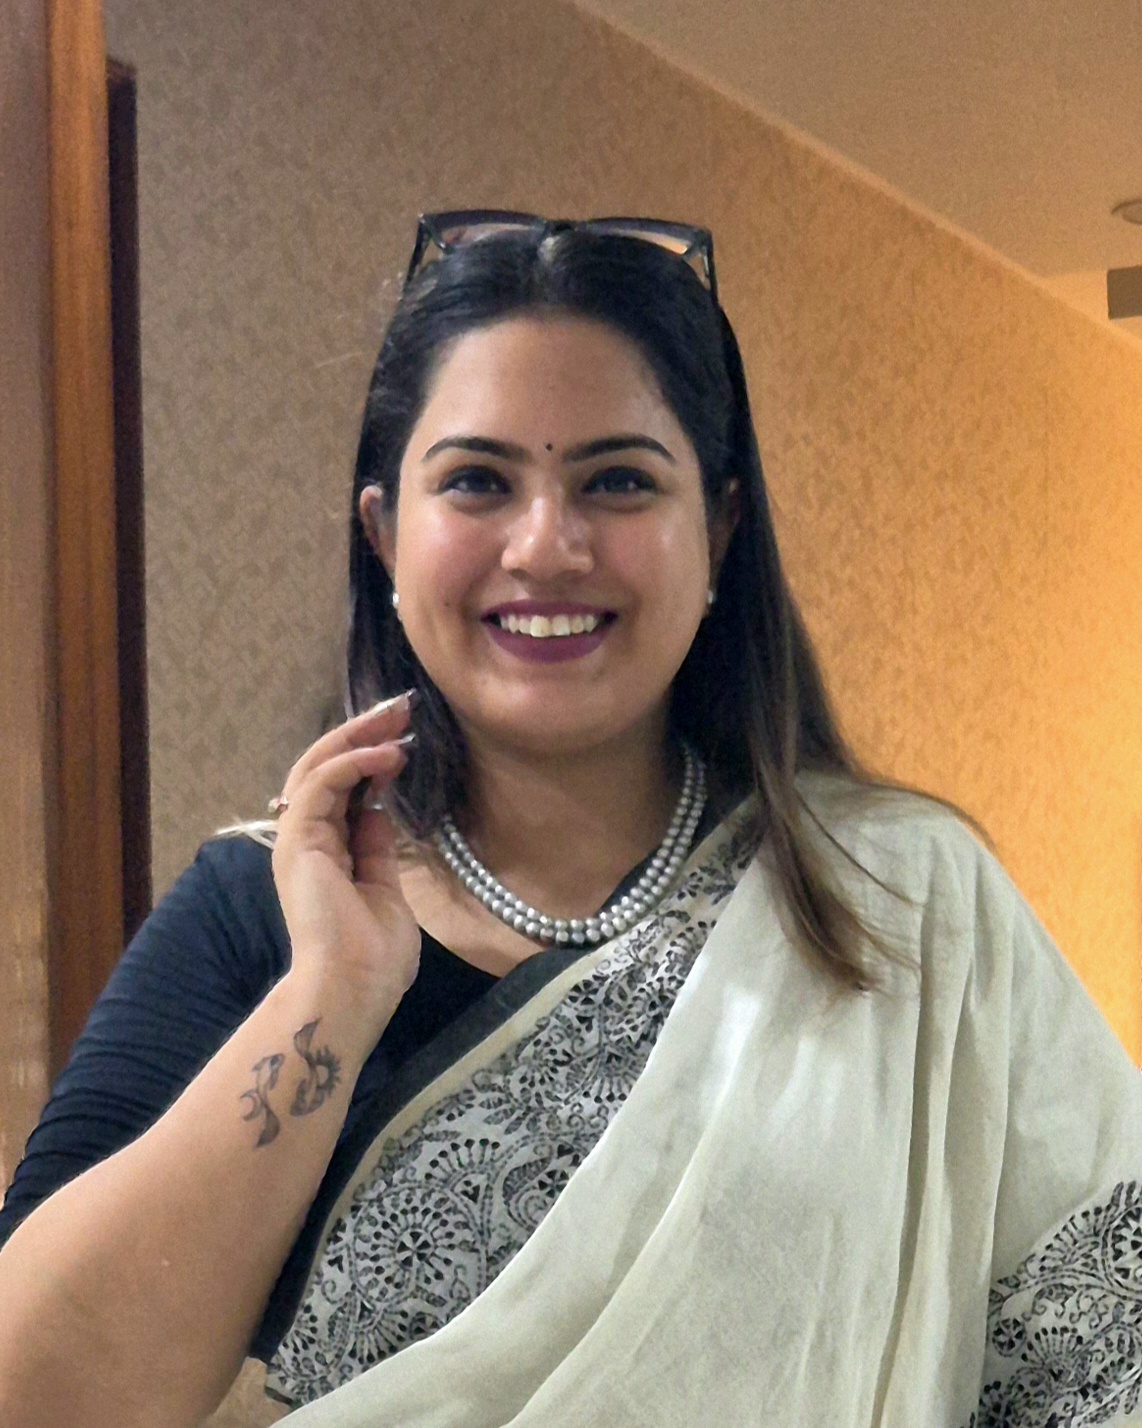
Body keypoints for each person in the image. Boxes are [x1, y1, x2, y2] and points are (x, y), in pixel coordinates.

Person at [0, 211, 1138, 1428]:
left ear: (720, 530)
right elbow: (39, 1400)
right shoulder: (257, 917)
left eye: (617, 481)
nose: (545, 546)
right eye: (476, 482)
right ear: (384, 534)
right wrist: (332, 991)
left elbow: (1106, 1354)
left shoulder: (894, 900)